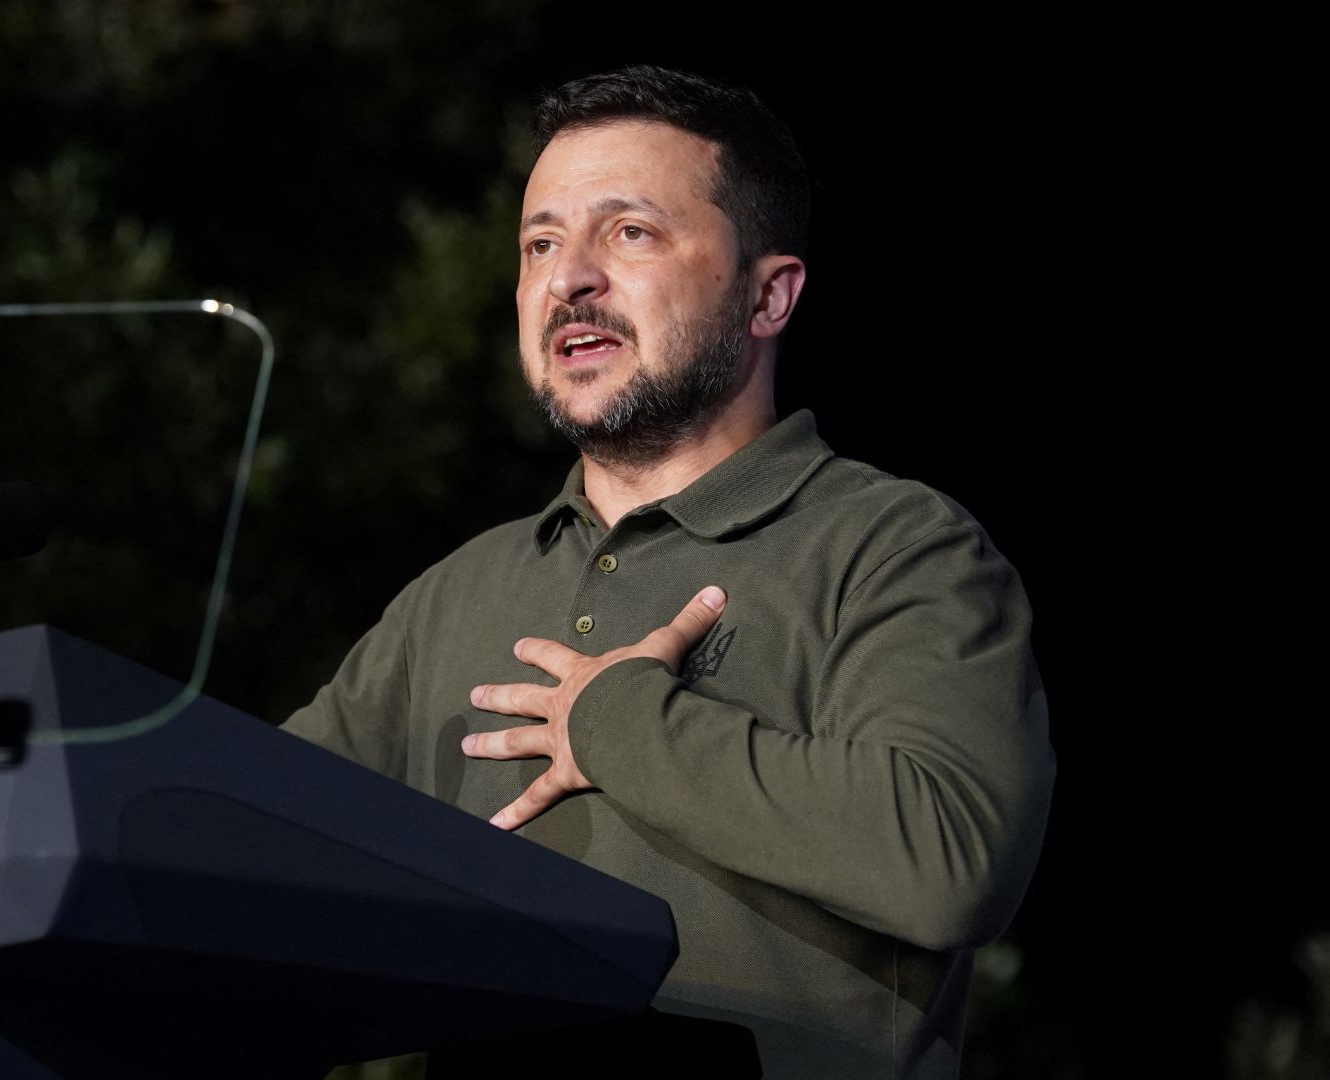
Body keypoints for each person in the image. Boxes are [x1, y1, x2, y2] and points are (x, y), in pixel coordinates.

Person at [283, 66, 1055, 1079]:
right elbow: (252, 843)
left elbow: (948, 858)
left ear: (768, 294)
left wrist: (621, 722)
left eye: (630, 232)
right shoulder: (456, 593)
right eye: (542, 244)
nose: (569, 281)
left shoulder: (893, 547)